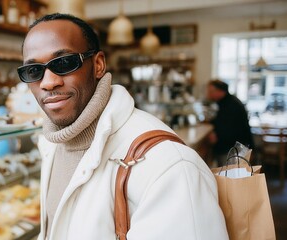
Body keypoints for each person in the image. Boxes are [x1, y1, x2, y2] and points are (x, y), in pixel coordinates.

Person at [18, 13, 228, 240]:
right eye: (34, 71)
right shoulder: (53, 147)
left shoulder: (168, 165)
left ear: (98, 65)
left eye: (65, 63)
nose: (48, 82)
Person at [206, 79, 254, 166]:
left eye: (211, 91)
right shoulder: (227, 102)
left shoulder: (231, 105)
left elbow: (230, 128)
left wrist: (216, 135)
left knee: (229, 175)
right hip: (231, 147)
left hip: (232, 149)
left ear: (220, 91)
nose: (209, 94)